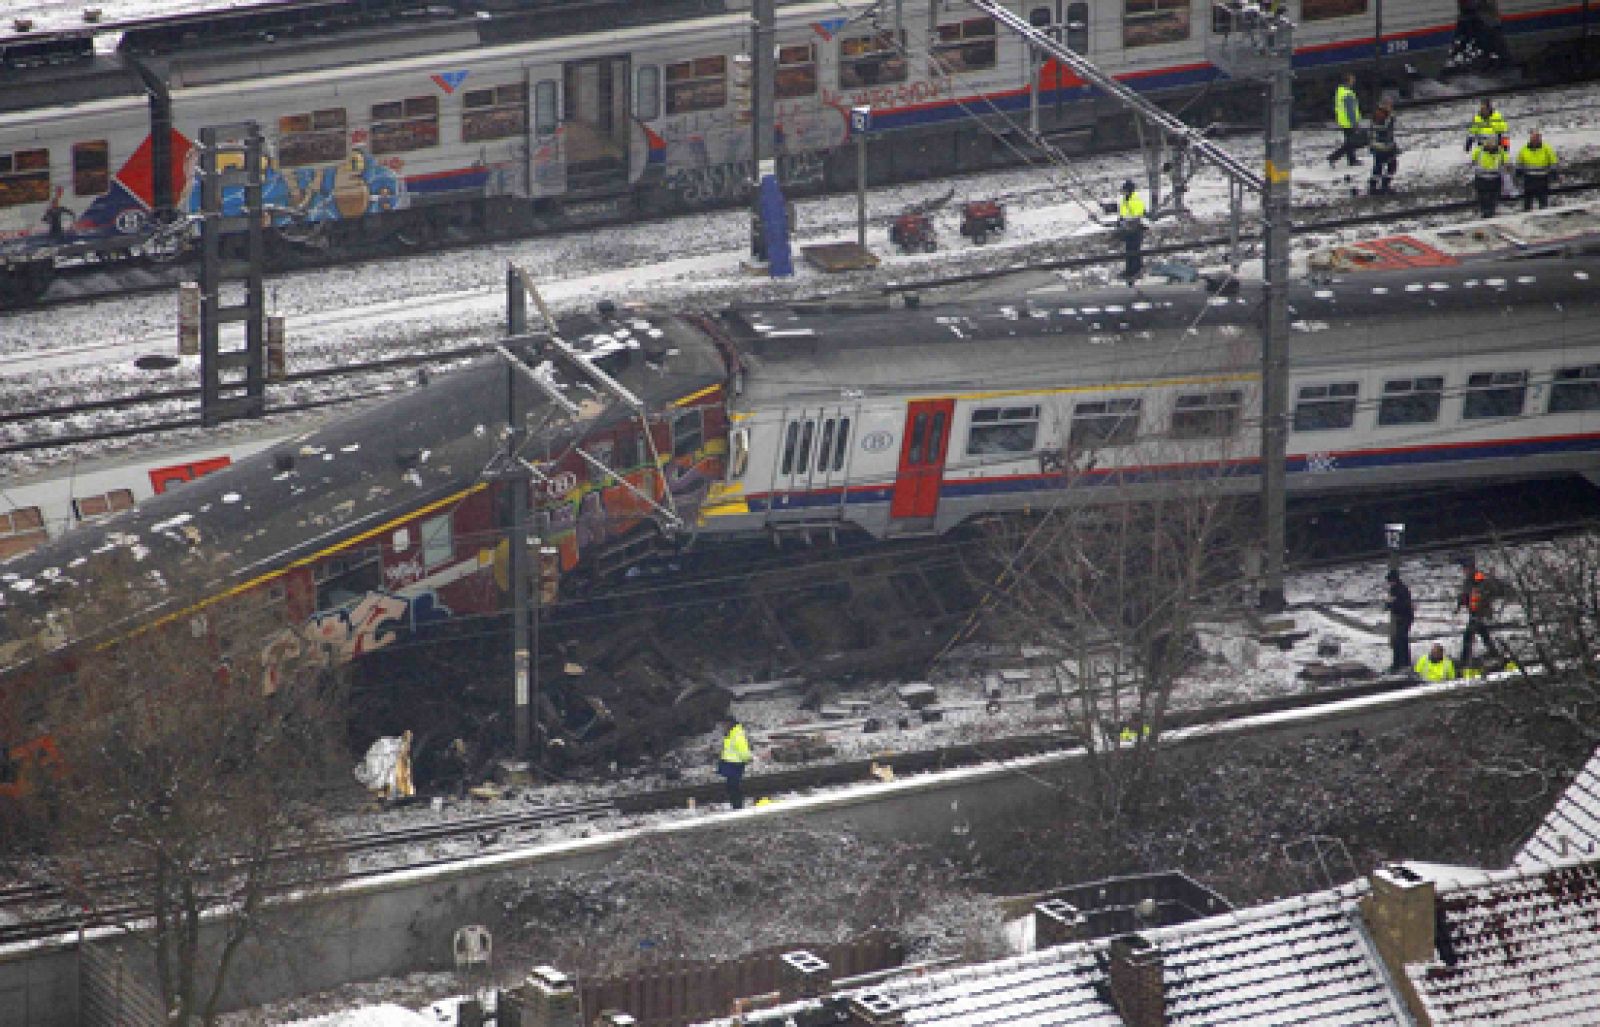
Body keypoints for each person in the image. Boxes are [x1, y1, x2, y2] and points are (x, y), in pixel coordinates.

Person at [1456, 559, 1503, 664]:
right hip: (1473, 612)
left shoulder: (1482, 580)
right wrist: (1461, 602)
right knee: (1483, 633)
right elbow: (1465, 595)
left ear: (1472, 569)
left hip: (1482, 612)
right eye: (1464, 570)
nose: (1465, 572)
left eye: (1467, 569)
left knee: (1468, 635)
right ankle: (1493, 653)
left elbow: (1492, 592)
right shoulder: (1467, 582)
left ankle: (1465, 659)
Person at [715, 714, 753, 809]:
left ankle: (738, 806)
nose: (723, 727)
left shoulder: (736, 734)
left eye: (724, 724)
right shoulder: (731, 733)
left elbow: (743, 749)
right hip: (731, 764)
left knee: (733, 787)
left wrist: (746, 758)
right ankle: (736, 805)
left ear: (729, 723)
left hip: (735, 764)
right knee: (732, 787)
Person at [1515, 130, 1559, 210]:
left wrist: (1553, 172)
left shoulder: (1546, 149)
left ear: (1540, 139)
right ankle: (1527, 212)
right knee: (1528, 197)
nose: (1535, 140)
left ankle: (1543, 212)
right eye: (1533, 138)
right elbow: (1519, 162)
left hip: (1542, 177)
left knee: (1543, 197)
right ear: (1530, 139)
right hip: (1529, 178)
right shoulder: (1524, 149)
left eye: (1537, 138)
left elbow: (1553, 161)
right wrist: (1518, 173)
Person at [1328, 73, 1363, 168]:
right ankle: (1333, 157)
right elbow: (1350, 110)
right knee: (1351, 143)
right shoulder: (1347, 93)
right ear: (1347, 81)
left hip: (1343, 121)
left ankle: (1352, 160)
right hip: (1349, 122)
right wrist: (1354, 123)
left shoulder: (1340, 91)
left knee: (1350, 142)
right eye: (1352, 80)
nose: (1354, 81)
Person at [1471, 136, 1510, 218]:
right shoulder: (1479, 151)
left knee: (1493, 198)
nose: (1491, 145)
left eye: (1493, 143)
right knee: (1483, 198)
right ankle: (1484, 212)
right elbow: (1473, 163)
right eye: (1489, 143)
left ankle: (1491, 212)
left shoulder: (1501, 152)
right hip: (1481, 179)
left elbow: (1505, 164)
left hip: (1495, 179)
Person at [1384, 568, 1414, 672]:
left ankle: (1402, 663)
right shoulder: (1393, 590)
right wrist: (1388, 605)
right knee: (1400, 640)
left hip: (1405, 617)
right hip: (1399, 617)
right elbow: (1390, 602)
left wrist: (1393, 604)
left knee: (1400, 639)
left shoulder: (1402, 590)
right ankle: (1401, 663)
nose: (1390, 584)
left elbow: (1404, 605)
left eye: (1390, 581)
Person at [1116, 179, 1146, 283]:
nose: (1123, 192)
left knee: (1134, 249)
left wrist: (1129, 224)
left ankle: (1136, 270)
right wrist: (1120, 222)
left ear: (1129, 190)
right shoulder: (1125, 200)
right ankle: (1129, 270)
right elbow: (1123, 214)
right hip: (1128, 229)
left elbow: (1137, 216)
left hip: (1135, 229)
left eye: (1124, 190)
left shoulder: (1135, 201)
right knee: (1129, 250)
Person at [1368, 101, 1399, 195]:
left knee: (1388, 165)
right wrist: (1391, 118)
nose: (1391, 108)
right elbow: (1384, 129)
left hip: (1385, 146)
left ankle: (1379, 185)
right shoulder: (1381, 116)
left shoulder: (1384, 116)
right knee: (1382, 166)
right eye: (1389, 106)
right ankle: (1379, 186)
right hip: (1380, 147)